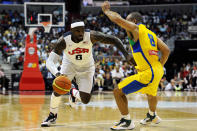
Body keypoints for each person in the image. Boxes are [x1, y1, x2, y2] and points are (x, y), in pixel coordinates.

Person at [41, 20, 132, 127]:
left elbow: (114, 39)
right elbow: (49, 61)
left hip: (86, 67)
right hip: (69, 65)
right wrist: (57, 74)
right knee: (58, 90)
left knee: (85, 100)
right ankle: (52, 115)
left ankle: (73, 93)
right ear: (71, 31)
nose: (80, 33)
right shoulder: (63, 41)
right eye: (77, 31)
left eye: (82, 31)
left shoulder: (92, 36)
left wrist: (126, 54)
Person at [102, 1, 170, 130]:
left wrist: (106, 11)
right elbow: (166, 50)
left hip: (149, 72)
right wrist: (159, 66)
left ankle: (126, 121)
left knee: (118, 92)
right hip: (157, 69)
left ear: (133, 21)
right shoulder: (151, 34)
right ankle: (152, 115)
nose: (125, 26)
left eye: (127, 22)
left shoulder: (136, 29)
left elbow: (117, 19)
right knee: (151, 93)